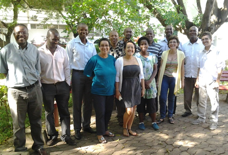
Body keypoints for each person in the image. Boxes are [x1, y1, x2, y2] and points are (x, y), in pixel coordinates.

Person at [0, 24, 48, 155]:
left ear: (28, 34)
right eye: (18, 33)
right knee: (18, 123)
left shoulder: (34, 50)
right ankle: (20, 148)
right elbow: (4, 71)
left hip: (34, 89)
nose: (21, 35)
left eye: (24, 32)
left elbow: (37, 69)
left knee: (36, 120)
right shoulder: (5, 51)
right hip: (16, 92)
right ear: (13, 35)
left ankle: (38, 146)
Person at [39, 28, 76, 146]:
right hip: (46, 85)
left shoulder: (62, 51)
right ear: (47, 38)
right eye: (54, 39)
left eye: (58, 39)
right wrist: (40, 86)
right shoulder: (39, 52)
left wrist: (67, 83)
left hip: (62, 85)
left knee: (64, 111)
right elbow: (37, 71)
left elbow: (66, 67)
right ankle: (53, 136)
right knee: (49, 111)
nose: (56, 41)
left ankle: (66, 136)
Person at [66, 23, 97, 140]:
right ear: (77, 31)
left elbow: (94, 61)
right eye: (81, 30)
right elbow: (68, 63)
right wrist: (68, 80)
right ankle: (77, 129)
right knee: (77, 103)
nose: (83, 31)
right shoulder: (71, 44)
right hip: (77, 75)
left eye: (86, 30)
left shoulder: (91, 45)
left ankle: (86, 125)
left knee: (88, 102)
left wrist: (94, 76)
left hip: (89, 76)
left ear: (88, 32)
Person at [84, 38, 116, 143]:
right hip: (98, 91)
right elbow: (88, 73)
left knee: (108, 112)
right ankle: (99, 133)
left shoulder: (112, 59)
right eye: (102, 45)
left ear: (109, 47)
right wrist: (97, 79)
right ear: (99, 47)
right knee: (100, 112)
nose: (104, 47)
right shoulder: (94, 59)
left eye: (106, 45)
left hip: (110, 90)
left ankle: (105, 130)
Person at [192, 31, 224, 130]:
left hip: (212, 81)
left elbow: (220, 67)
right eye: (203, 39)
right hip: (202, 79)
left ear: (211, 40)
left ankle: (214, 121)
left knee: (214, 102)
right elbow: (199, 67)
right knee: (201, 100)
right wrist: (197, 80)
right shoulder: (200, 52)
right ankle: (201, 118)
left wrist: (217, 81)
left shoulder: (217, 51)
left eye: (206, 39)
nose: (204, 41)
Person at [115, 40, 145, 137]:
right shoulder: (119, 60)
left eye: (132, 47)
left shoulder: (138, 60)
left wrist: (143, 88)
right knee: (129, 111)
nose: (130, 49)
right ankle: (124, 128)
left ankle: (129, 128)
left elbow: (141, 76)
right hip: (125, 87)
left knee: (134, 108)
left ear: (134, 49)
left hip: (136, 87)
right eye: (128, 47)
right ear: (124, 49)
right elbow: (117, 77)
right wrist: (117, 90)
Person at [157, 35, 185, 124]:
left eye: (174, 42)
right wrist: (158, 80)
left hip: (174, 78)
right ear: (168, 44)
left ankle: (170, 115)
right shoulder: (164, 53)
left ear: (177, 44)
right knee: (162, 97)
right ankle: (162, 116)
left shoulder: (181, 54)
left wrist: (182, 81)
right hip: (165, 77)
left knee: (172, 97)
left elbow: (182, 68)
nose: (172, 43)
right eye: (170, 42)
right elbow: (161, 67)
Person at [135, 37, 159, 130]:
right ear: (139, 46)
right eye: (141, 44)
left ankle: (154, 121)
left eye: (145, 44)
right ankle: (141, 122)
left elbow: (155, 69)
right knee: (141, 104)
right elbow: (136, 70)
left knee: (152, 104)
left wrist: (149, 81)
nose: (143, 46)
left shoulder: (153, 56)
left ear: (148, 45)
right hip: (140, 84)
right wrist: (143, 82)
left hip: (151, 84)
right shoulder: (136, 56)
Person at [181, 26, 204, 117]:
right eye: (190, 31)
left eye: (194, 31)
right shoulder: (184, 45)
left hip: (199, 75)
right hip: (187, 74)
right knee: (187, 95)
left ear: (197, 32)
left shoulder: (202, 45)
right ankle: (188, 110)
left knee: (199, 96)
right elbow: (183, 60)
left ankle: (200, 112)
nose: (192, 32)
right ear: (188, 32)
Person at [145, 28, 163, 112]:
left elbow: (160, 64)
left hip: (154, 75)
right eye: (147, 34)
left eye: (151, 34)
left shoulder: (158, 47)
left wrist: (157, 79)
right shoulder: (142, 46)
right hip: (143, 76)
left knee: (153, 95)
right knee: (143, 94)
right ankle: (143, 113)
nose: (149, 35)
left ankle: (153, 112)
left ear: (154, 35)